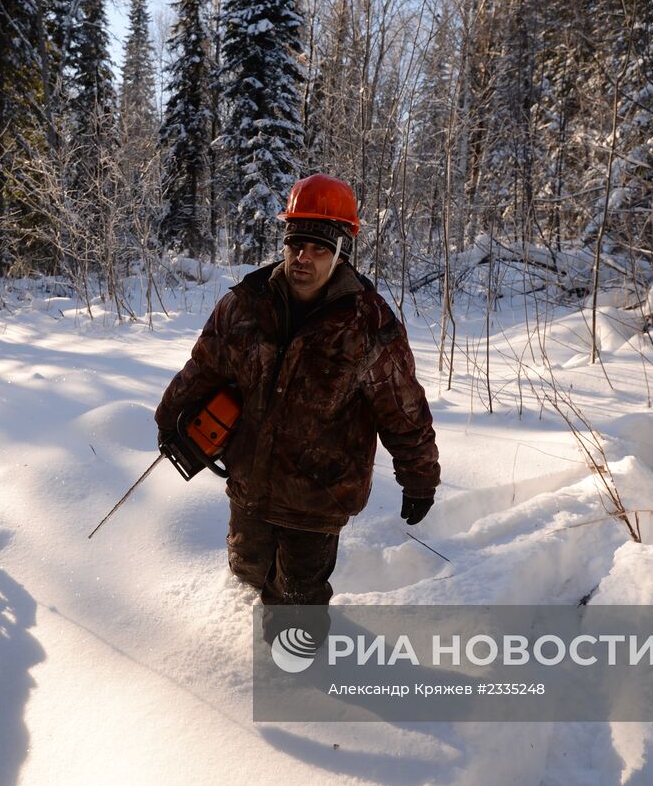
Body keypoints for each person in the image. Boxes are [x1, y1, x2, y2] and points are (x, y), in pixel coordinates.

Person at [155, 174, 440, 616]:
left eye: (319, 249)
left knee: (294, 604)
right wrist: (168, 417)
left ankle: (297, 678)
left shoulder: (368, 323)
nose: (303, 258)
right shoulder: (245, 305)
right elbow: (203, 368)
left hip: (318, 497)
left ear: (340, 251)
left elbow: (402, 409)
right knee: (248, 572)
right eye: (295, 245)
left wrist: (419, 477)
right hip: (249, 480)